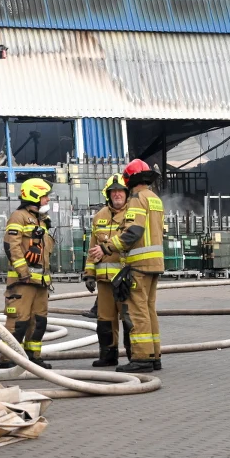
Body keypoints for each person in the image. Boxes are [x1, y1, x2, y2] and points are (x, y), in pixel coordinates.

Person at [93, 159, 164, 373]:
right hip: (155, 263)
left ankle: (142, 358)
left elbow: (134, 232)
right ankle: (154, 355)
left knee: (137, 311)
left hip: (139, 264)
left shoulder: (137, 199)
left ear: (130, 180)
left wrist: (107, 248)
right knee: (150, 310)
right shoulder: (154, 198)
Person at [1, 178, 55, 369]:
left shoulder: (41, 221)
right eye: (44, 196)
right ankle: (9, 360)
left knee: (38, 322)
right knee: (18, 322)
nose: (48, 200)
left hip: (40, 283)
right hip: (22, 282)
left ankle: (33, 357)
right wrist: (23, 271)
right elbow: (11, 246)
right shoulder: (18, 217)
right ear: (34, 196)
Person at [82, 175, 130, 367]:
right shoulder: (99, 216)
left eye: (121, 191)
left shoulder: (133, 215)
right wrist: (89, 273)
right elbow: (93, 249)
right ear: (108, 194)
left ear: (127, 194)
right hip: (104, 281)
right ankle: (108, 355)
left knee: (129, 318)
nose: (117, 194)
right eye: (114, 191)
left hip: (126, 279)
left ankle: (135, 357)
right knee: (105, 320)